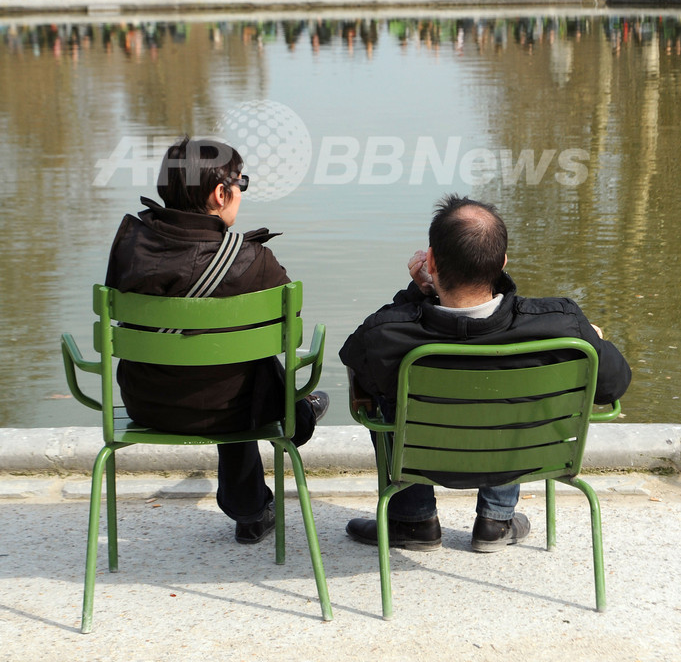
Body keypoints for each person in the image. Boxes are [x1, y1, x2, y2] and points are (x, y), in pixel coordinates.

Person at [339, 194, 631, 553]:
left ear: (431, 261)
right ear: (503, 262)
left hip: (425, 463)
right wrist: (593, 340)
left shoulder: (385, 335)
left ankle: (412, 522)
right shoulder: (562, 326)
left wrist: (416, 294)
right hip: (520, 462)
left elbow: (355, 364)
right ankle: (496, 519)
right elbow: (614, 386)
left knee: (382, 394)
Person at [105, 136, 329, 544]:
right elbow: (289, 329)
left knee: (226, 368)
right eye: (241, 183)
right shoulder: (252, 260)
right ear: (220, 193)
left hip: (146, 404)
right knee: (241, 372)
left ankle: (254, 504)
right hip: (233, 410)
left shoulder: (129, 247)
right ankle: (298, 417)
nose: (241, 193)